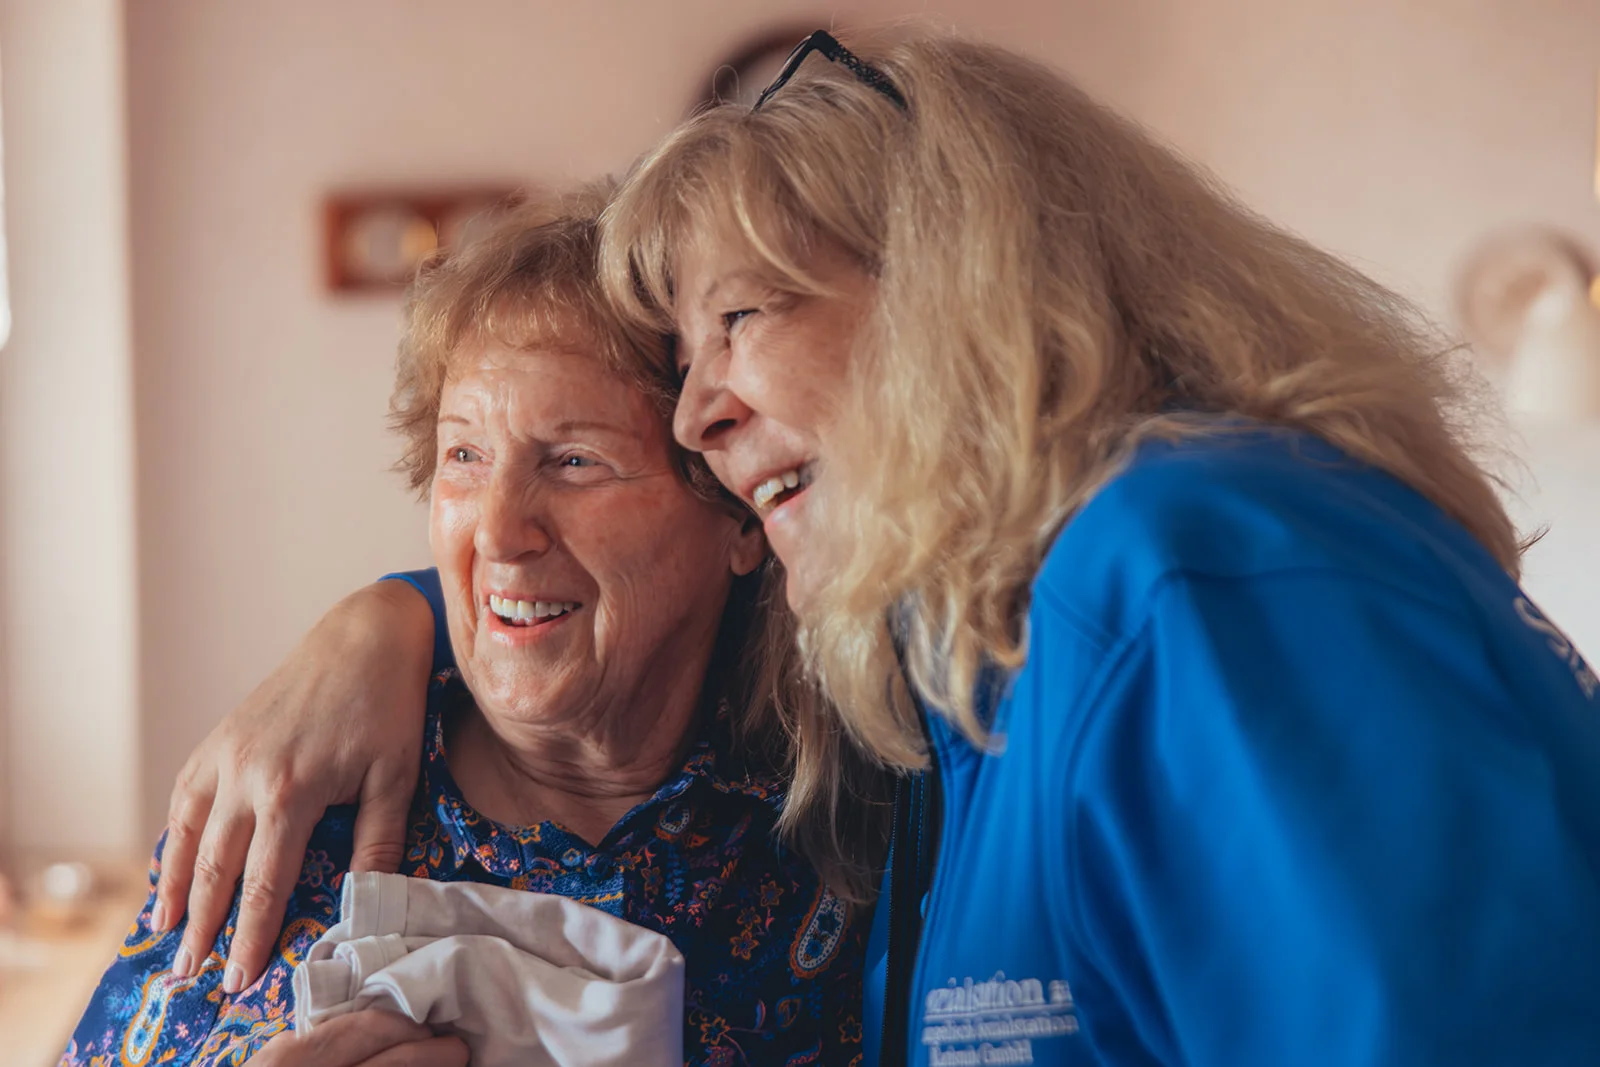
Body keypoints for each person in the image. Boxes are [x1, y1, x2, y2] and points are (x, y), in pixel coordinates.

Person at [153, 29, 1600, 1067]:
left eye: (742, 319)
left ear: (953, 286)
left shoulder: (1194, 569)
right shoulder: (947, 672)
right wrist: (390, 615)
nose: (707, 411)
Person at [60, 196, 881, 1067]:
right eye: (464, 455)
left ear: (738, 514)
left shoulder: (841, 820)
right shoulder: (296, 802)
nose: (496, 531)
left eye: (574, 461)